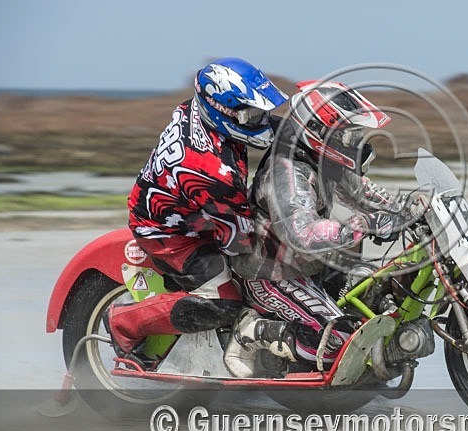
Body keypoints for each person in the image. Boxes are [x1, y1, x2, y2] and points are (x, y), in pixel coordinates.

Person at [224, 80, 424, 378]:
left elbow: (364, 194)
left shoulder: (322, 158)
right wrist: (364, 225)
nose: (354, 142)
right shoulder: (286, 172)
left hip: (309, 266)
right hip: (271, 275)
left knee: (376, 294)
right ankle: (251, 331)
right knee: (340, 343)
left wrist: (411, 209)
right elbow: (302, 233)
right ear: (317, 130)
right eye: (348, 135)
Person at [104, 57, 289, 369]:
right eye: (252, 114)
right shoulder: (213, 171)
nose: (261, 120)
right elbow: (240, 242)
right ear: (223, 110)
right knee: (225, 301)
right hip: (171, 233)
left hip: (194, 209)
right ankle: (124, 322)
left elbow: (273, 127)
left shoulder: (200, 108)